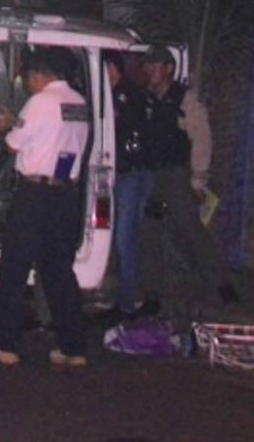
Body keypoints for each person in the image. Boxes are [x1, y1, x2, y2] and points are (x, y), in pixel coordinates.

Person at [0, 49, 90, 368]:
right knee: (59, 272)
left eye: (27, 78)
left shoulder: (41, 102)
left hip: (35, 194)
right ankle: (72, 347)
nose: (27, 84)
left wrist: (3, 127)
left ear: (38, 75)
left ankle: (3, 344)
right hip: (64, 193)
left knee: (14, 268)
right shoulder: (79, 103)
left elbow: (13, 145)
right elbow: (61, 145)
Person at [139, 45, 239, 315]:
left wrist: (198, 179)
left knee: (190, 230)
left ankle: (222, 284)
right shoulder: (148, 100)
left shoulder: (184, 100)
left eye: (155, 66)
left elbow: (201, 139)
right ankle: (152, 296)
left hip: (177, 174)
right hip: (153, 175)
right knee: (149, 233)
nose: (150, 71)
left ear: (169, 69)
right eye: (147, 66)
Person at [101, 51, 155, 322]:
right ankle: (123, 297)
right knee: (118, 238)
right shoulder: (107, 95)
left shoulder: (127, 96)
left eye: (108, 68)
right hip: (119, 174)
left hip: (131, 175)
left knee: (125, 238)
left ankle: (127, 303)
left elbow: (134, 134)